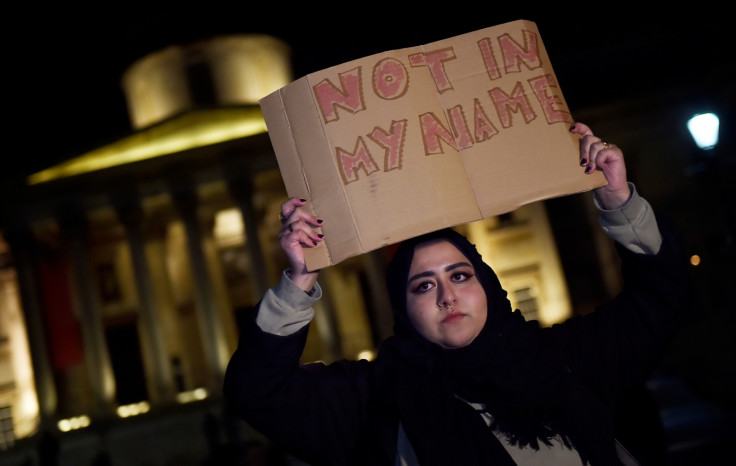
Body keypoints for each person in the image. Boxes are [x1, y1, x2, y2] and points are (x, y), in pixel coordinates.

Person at [223, 122, 692, 465]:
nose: (447, 295)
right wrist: (300, 280)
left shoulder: (566, 357)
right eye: (423, 286)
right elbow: (257, 392)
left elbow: (661, 297)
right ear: (404, 310)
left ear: (487, 285)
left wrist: (619, 201)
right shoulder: (375, 401)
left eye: (461, 275)